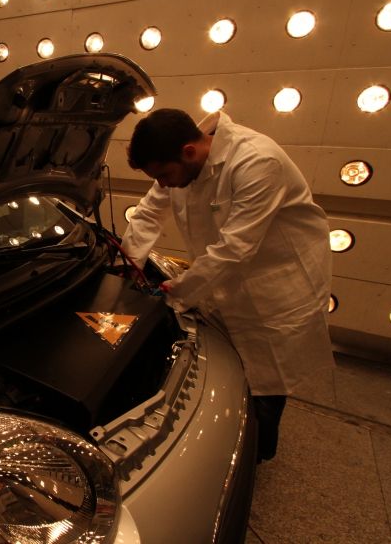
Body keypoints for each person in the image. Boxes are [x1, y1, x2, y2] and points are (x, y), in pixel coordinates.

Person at [120, 108, 334, 461]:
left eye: (164, 175)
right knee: (232, 373)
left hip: (278, 284)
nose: (162, 185)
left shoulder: (256, 162)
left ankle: (256, 456)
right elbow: (147, 214)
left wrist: (177, 292)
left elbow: (235, 250)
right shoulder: (180, 160)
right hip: (224, 277)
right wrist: (128, 266)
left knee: (267, 380)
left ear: (188, 152)